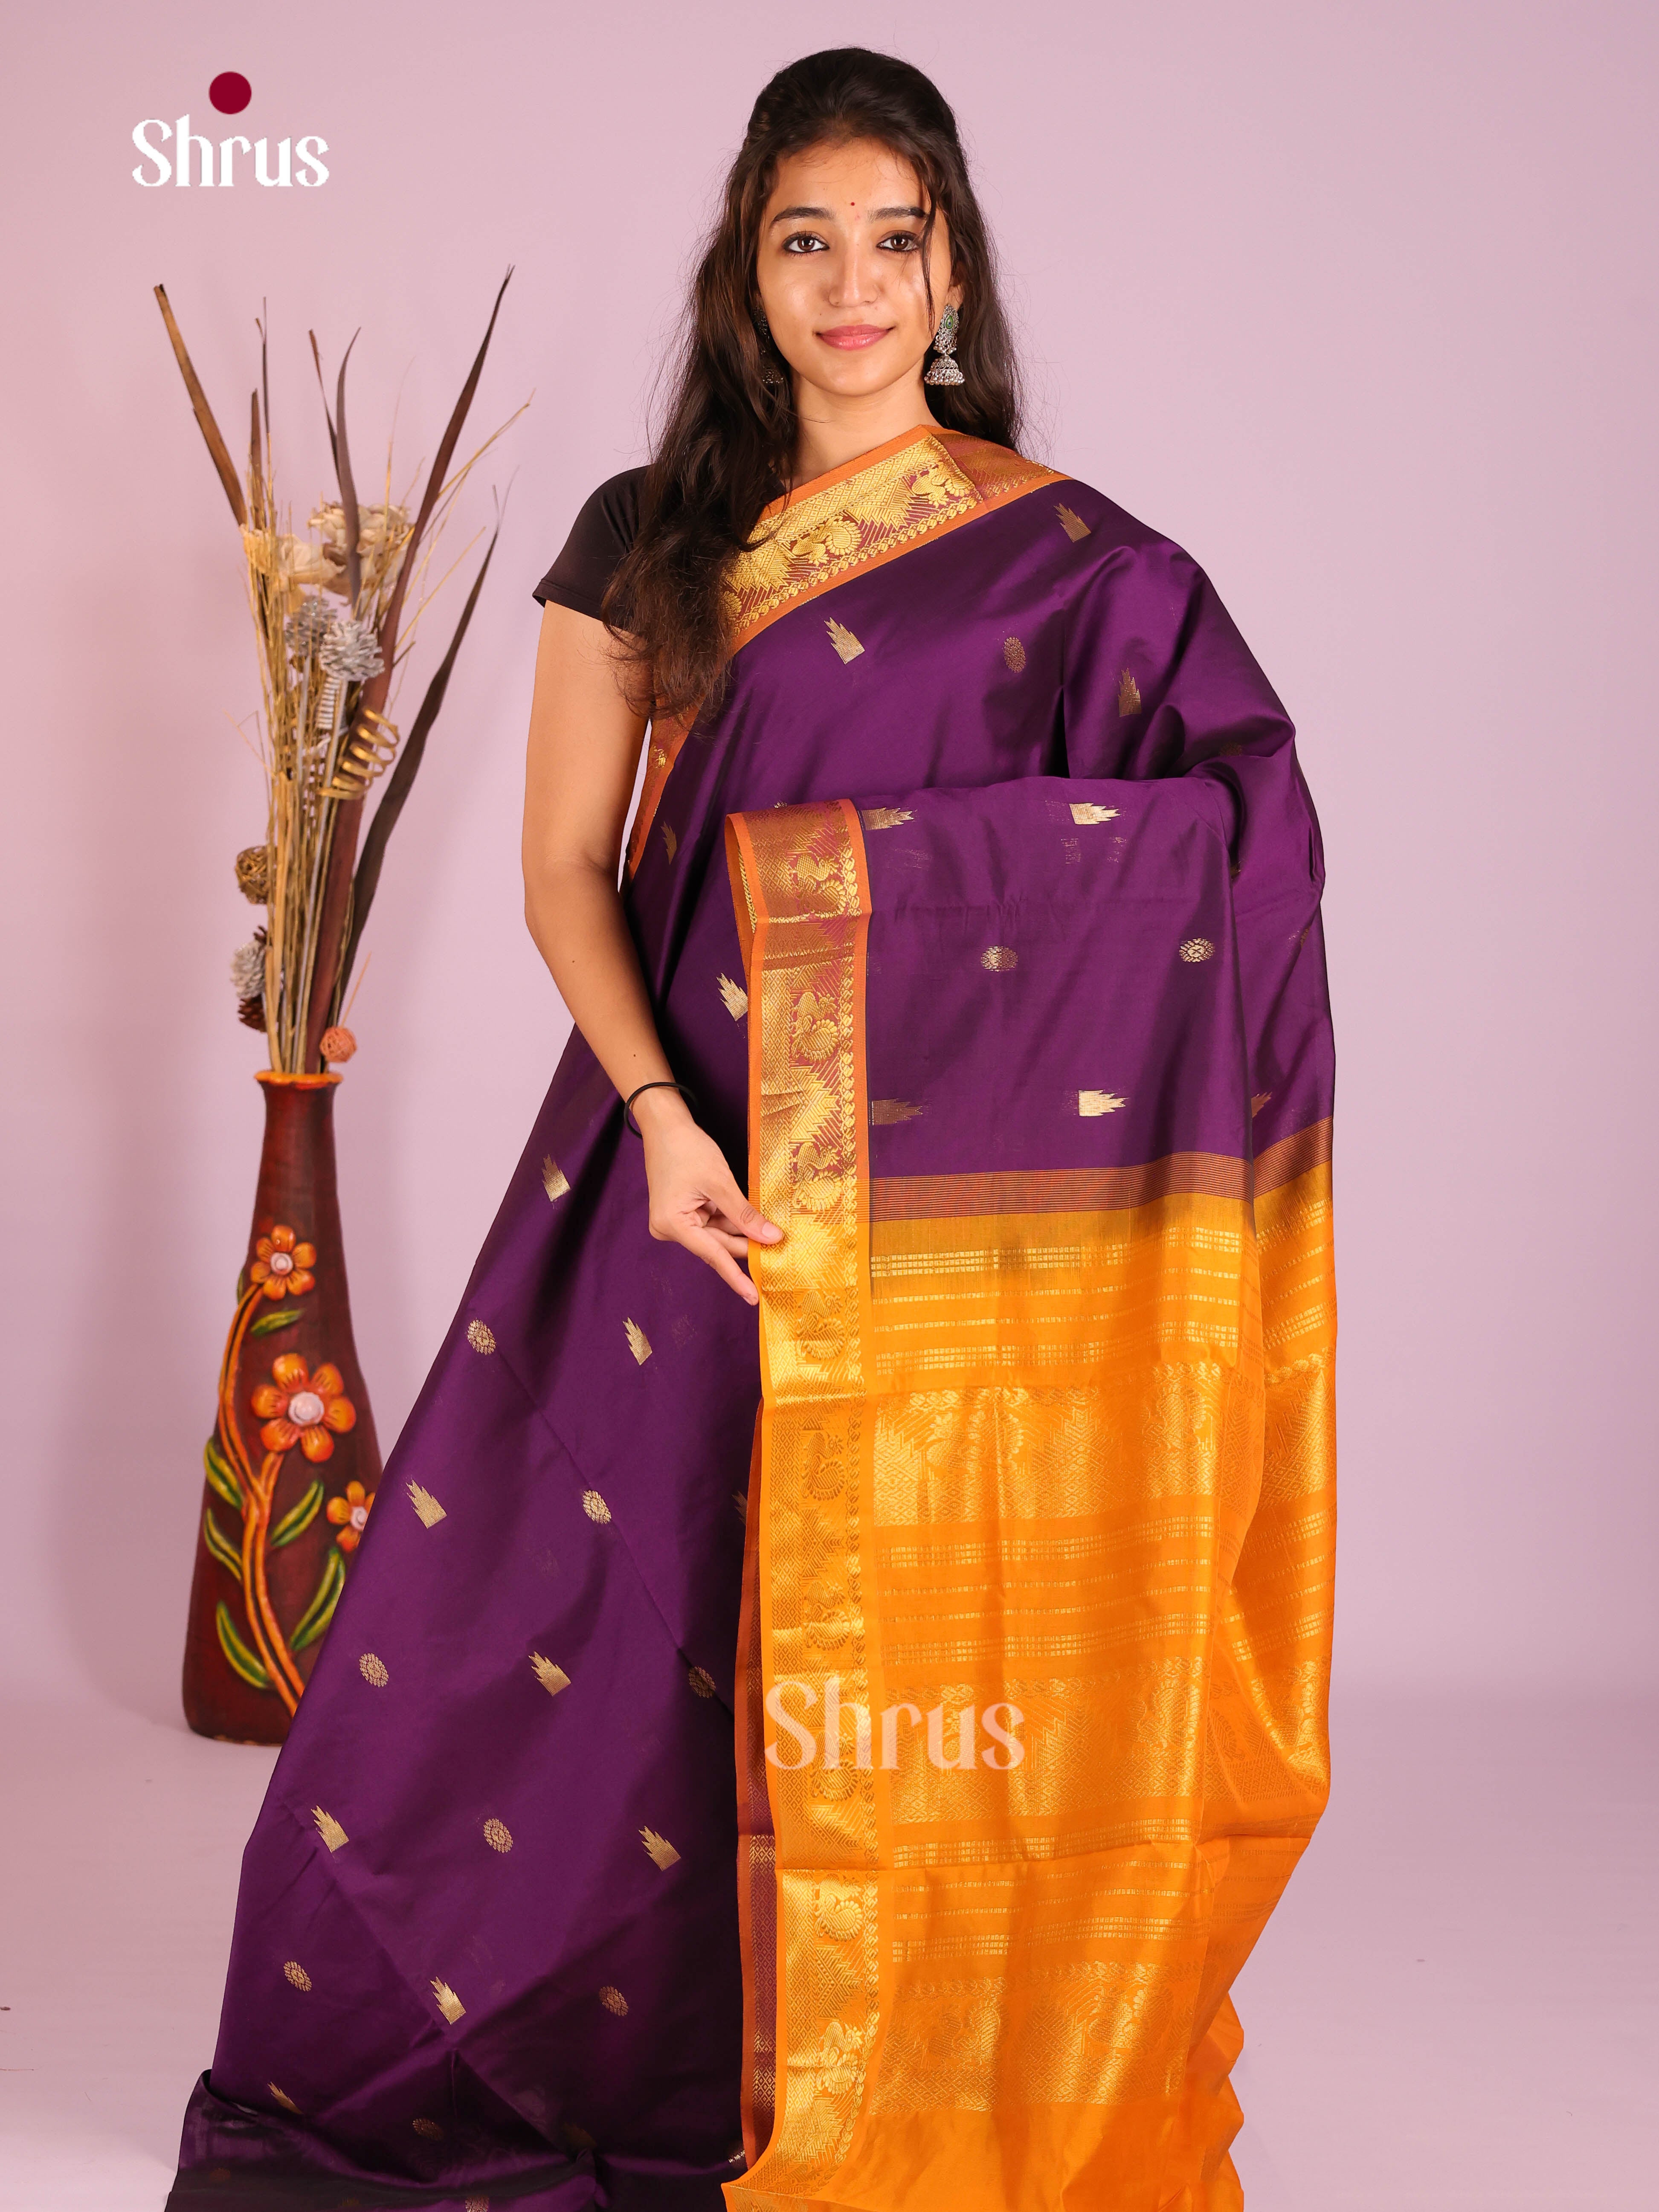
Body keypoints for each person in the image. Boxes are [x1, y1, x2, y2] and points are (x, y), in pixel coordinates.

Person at [169, 46, 1336, 2212]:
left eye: (894, 239)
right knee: (584, 1640)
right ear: (746, 273)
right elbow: (562, 869)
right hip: (685, 1169)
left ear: (952, 273)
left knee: (908, 1645)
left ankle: (891, 2050)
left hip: (948, 1228)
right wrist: (660, 1113)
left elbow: (1231, 834)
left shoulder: (1072, 567)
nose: (851, 285)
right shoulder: (651, 537)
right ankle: (620, 2057)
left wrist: (897, 902)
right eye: (807, 241)